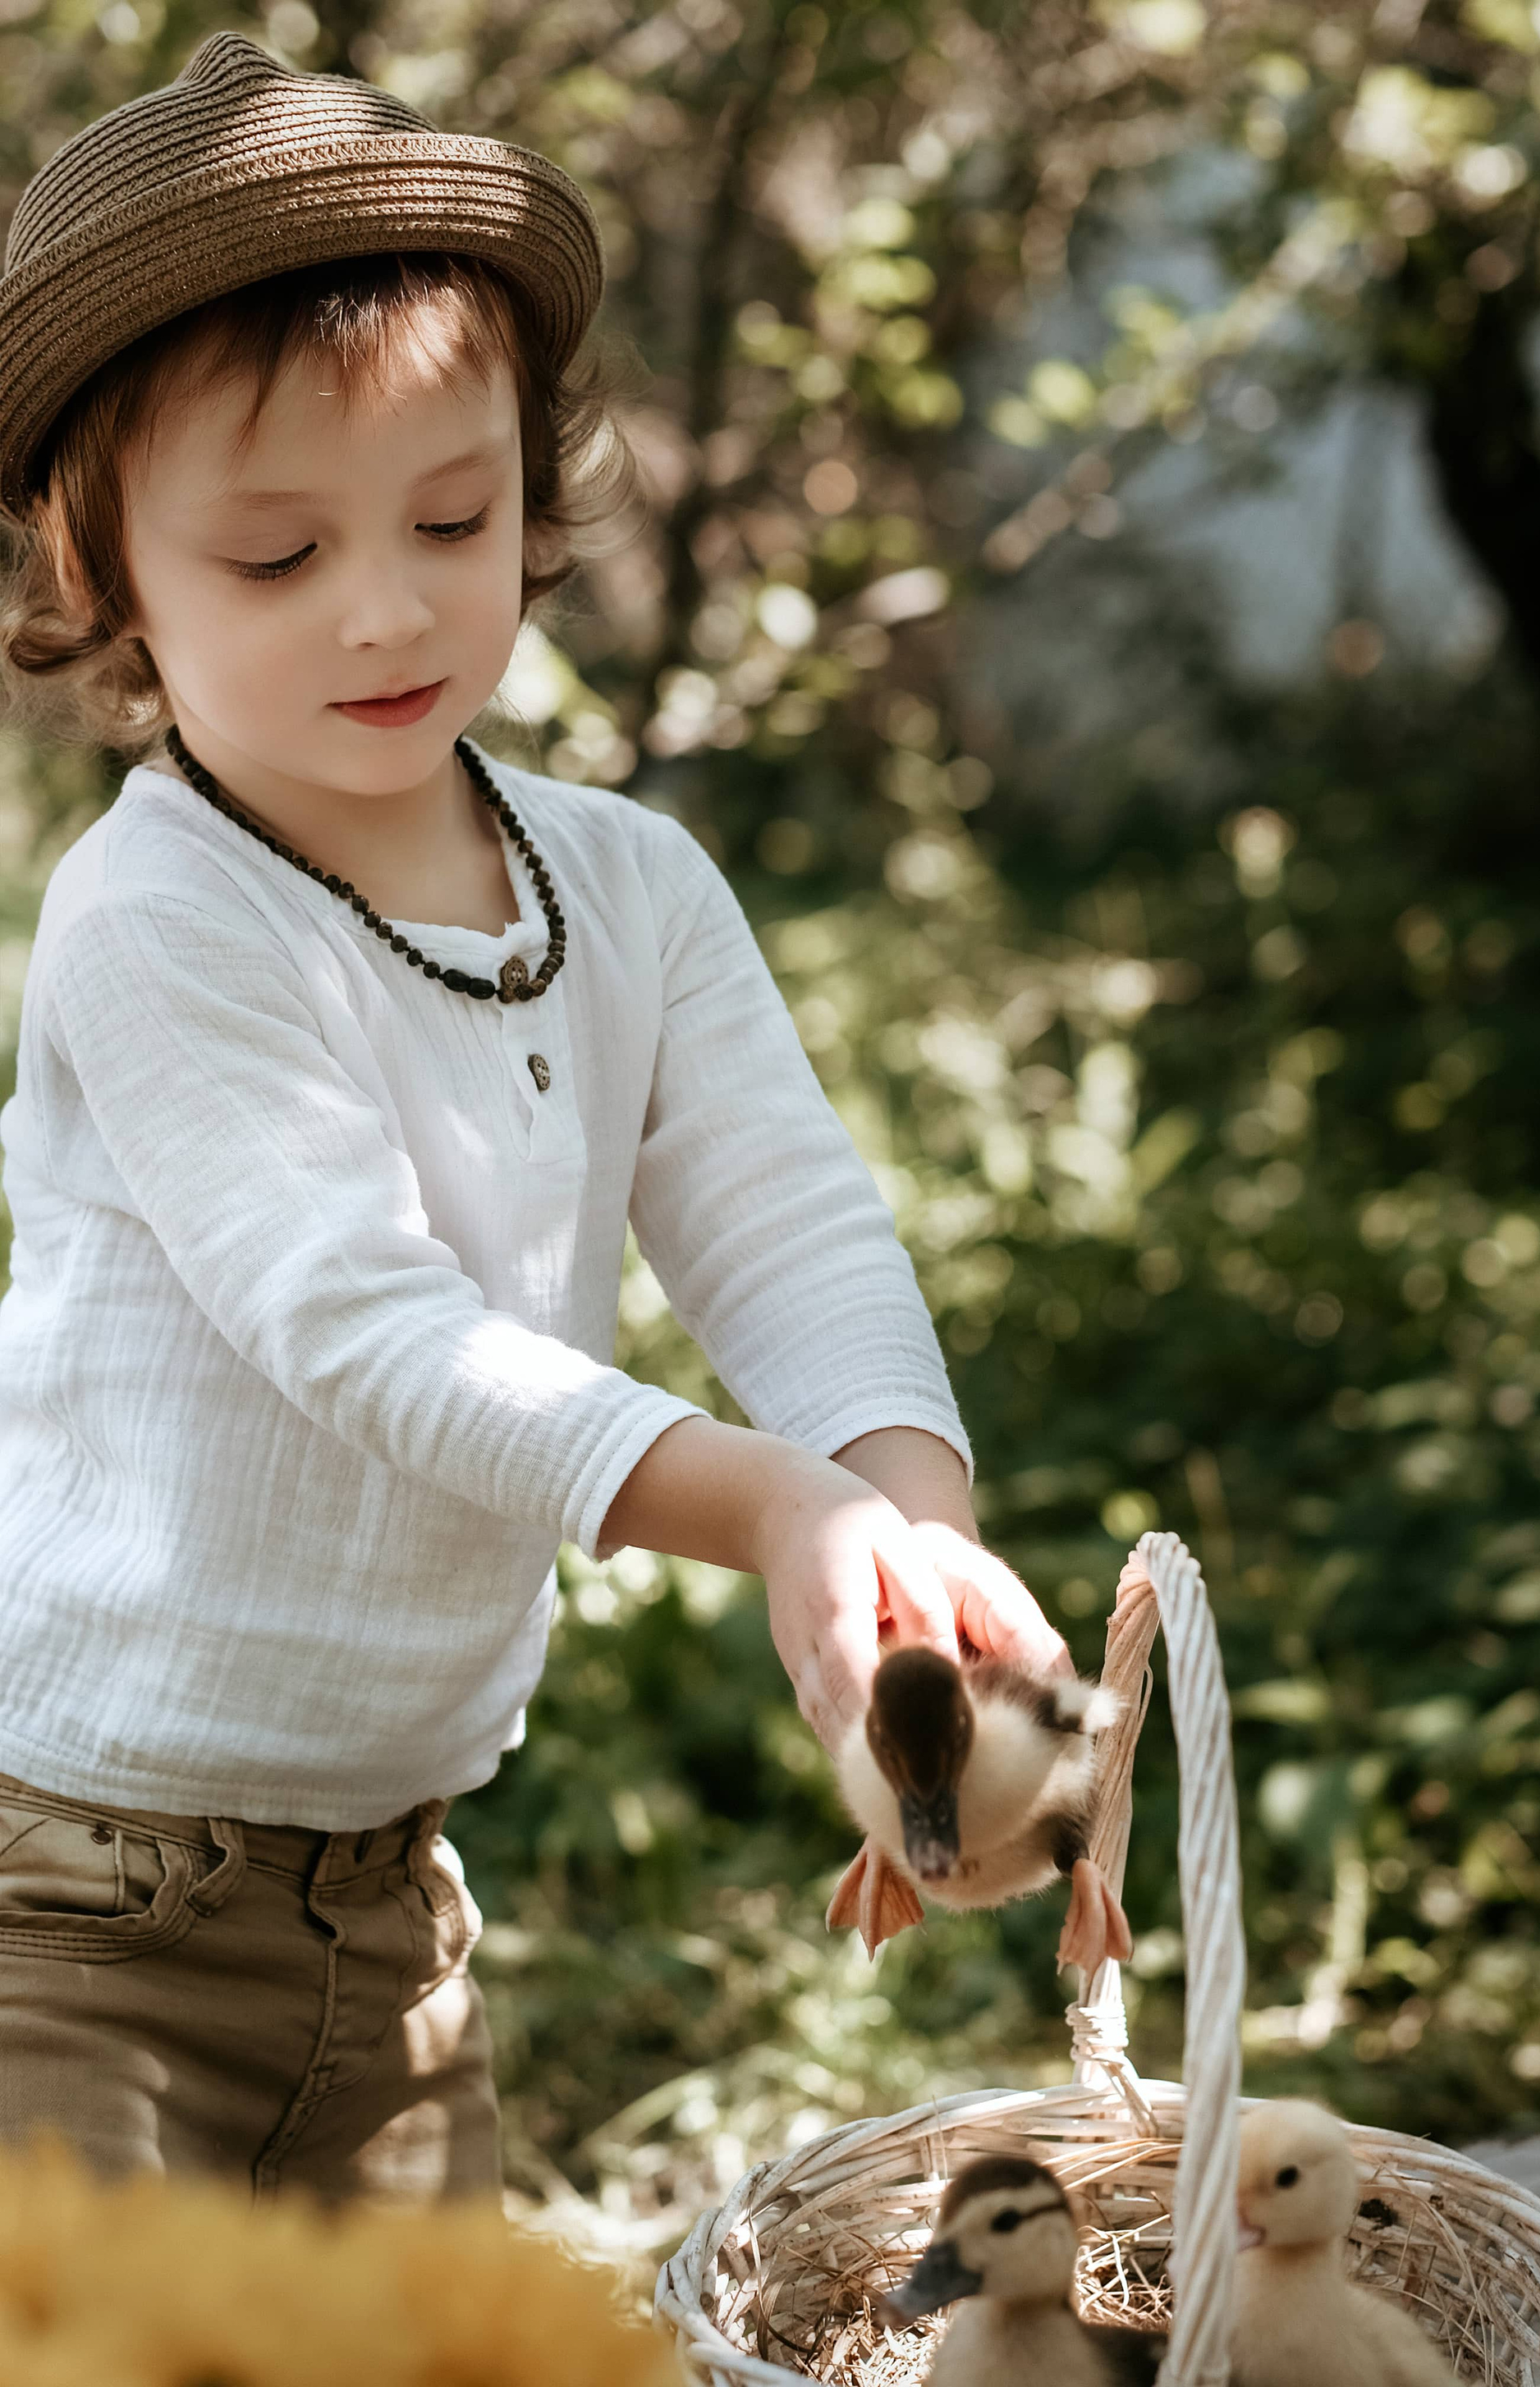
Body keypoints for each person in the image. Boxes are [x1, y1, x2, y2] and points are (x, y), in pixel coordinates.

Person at [0, 33, 1069, 2204]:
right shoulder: (157, 911)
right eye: (276, 556)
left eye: (451, 518)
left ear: (531, 492)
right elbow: (357, 1322)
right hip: (70, 1896)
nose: (388, 605)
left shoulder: (632, 885)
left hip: (388, 1920)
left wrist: (908, 1540)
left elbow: (785, 1228)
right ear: (104, 576)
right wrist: (772, 1514)